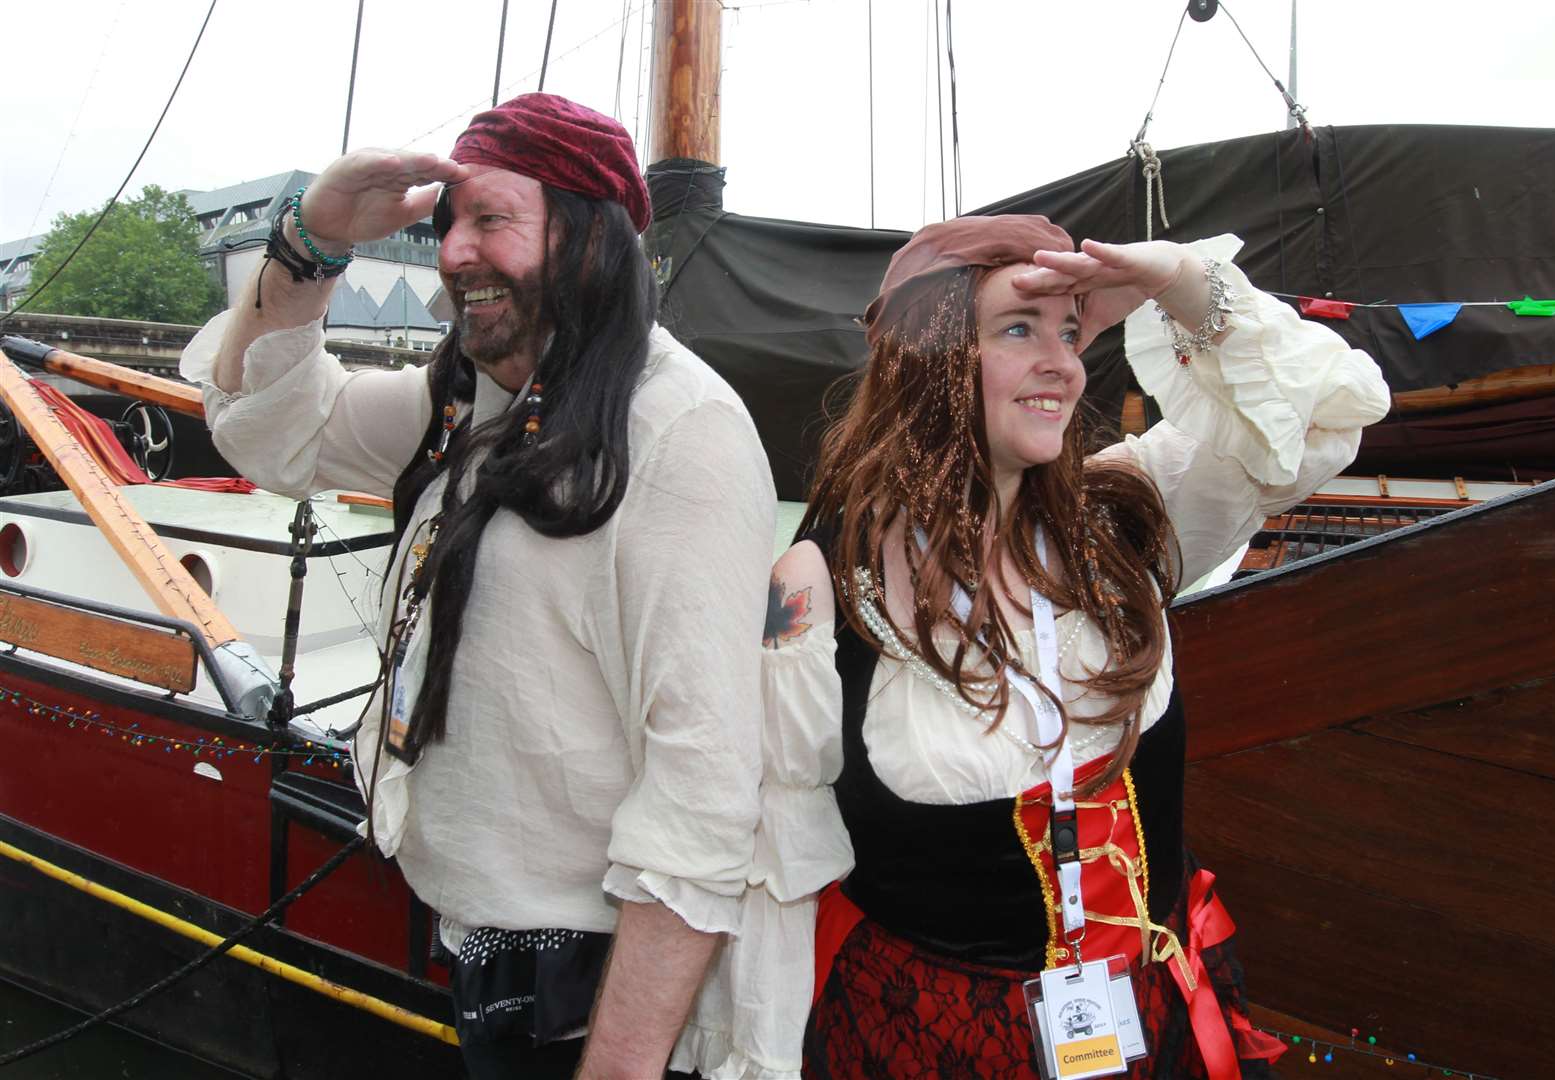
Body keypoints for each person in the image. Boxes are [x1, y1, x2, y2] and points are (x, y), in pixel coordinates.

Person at [706, 216, 1390, 1078]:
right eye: (1019, 329)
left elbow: (1326, 419)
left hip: (1156, 1028)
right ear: (929, 353)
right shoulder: (823, 587)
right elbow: (777, 873)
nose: (1065, 364)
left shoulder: (1125, 514)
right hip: (932, 1048)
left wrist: (1178, 279)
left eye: (1072, 333)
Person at [179, 94, 776, 1078]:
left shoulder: (680, 434)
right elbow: (267, 428)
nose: (453, 252)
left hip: (586, 987)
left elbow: (703, 799)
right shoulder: (474, 398)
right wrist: (311, 238)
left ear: (591, 242)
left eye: (491, 219)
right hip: (476, 940)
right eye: (447, 223)